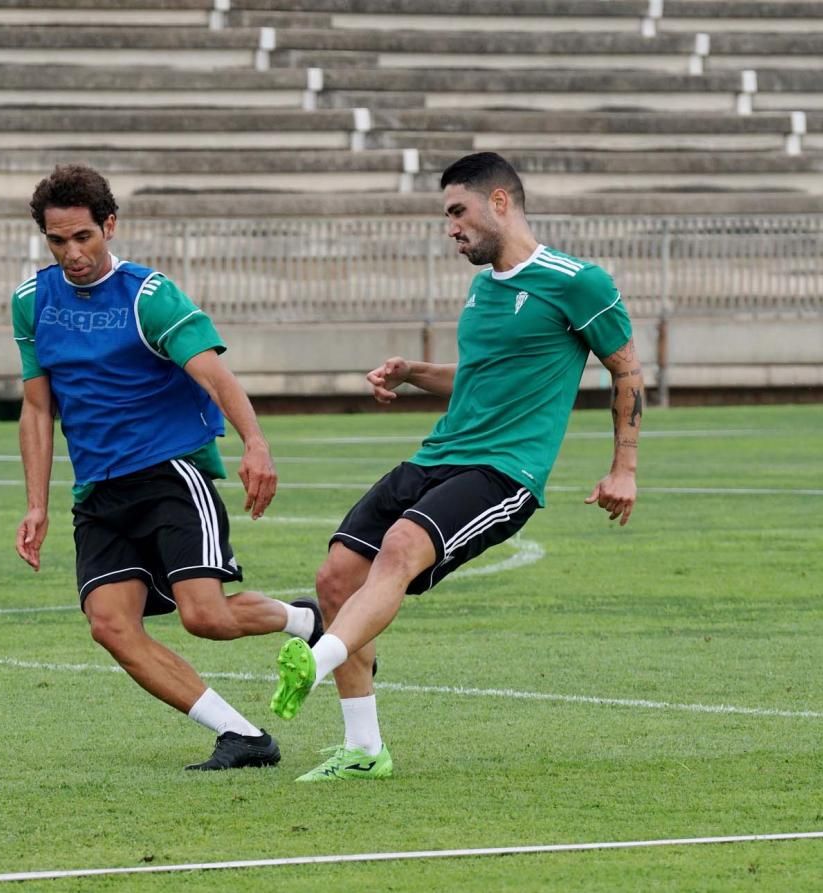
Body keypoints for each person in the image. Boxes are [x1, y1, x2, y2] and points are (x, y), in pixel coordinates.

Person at [269, 151, 643, 781]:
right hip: (438, 455)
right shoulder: (481, 289)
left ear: (499, 202)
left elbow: (627, 369)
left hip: (503, 472)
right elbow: (475, 378)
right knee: (335, 578)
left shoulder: (577, 281)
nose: (451, 227)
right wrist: (415, 373)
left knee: (401, 546)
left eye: (457, 212)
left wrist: (623, 468)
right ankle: (364, 751)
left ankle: (319, 657)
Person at [12, 163, 323, 771]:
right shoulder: (32, 302)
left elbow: (212, 373)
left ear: (110, 226)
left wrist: (254, 443)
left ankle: (304, 618)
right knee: (110, 624)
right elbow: (36, 408)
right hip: (99, 491)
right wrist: (36, 503)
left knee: (204, 617)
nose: (72, 253)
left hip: (169, 475)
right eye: (57, 240)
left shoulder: (149, 298)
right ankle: (243, 737)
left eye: (84, 237)